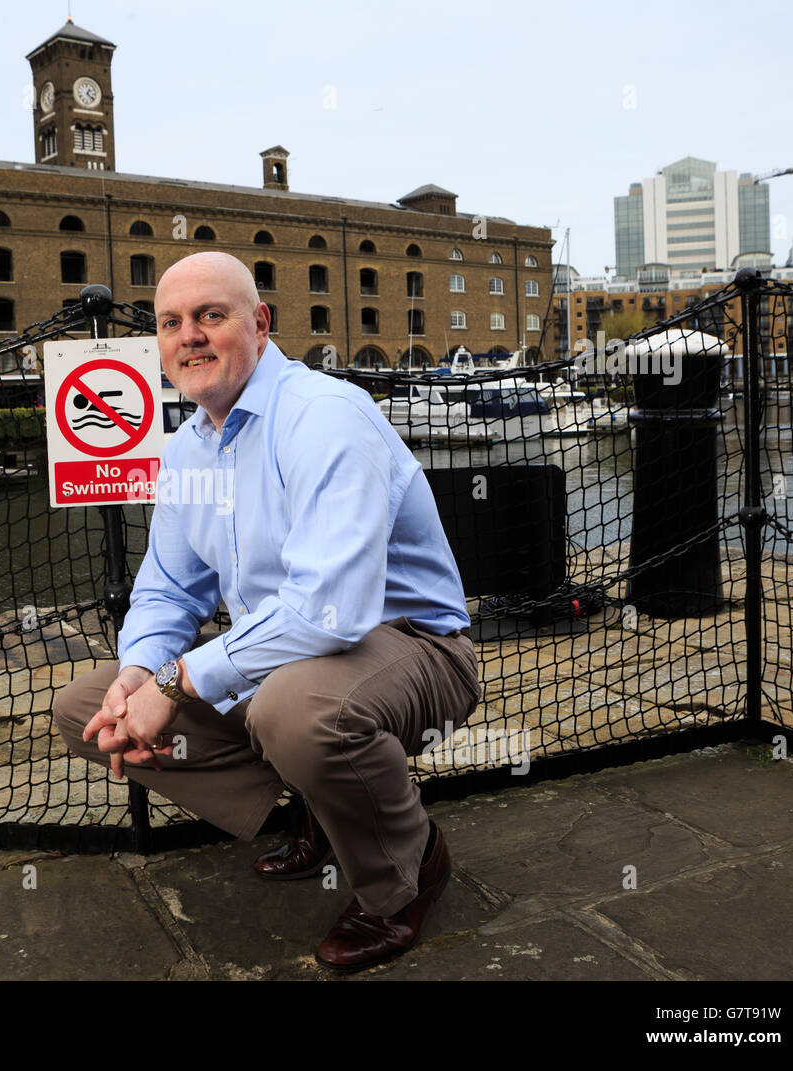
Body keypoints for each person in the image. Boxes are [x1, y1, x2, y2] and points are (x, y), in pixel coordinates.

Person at [52, 250, 480, 971]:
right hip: (289, 659)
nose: (189, 335)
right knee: (85, 706)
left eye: (210, 316)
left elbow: (332, 610)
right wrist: (137, 674)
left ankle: (406, 872)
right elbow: (167, 587)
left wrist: (174, 684)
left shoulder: (325, 415)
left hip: (412, 644)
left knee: (296, 711)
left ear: (260, 322)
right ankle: (321, 808)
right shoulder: (188, 447)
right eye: (170, 322)